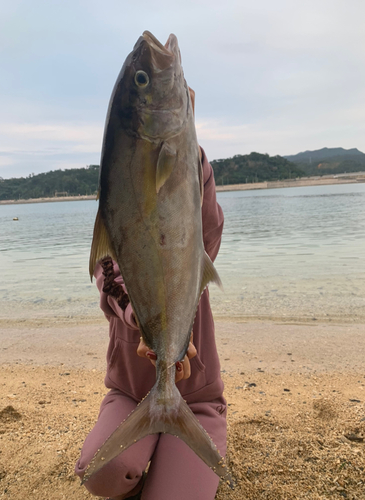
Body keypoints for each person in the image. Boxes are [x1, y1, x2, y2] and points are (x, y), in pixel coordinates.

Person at [75, 91, 226, 500]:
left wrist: (187, 147)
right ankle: (142, 462)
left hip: (195, 401)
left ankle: (176, 454)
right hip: (129, 392)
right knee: (102, 472)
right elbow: (109, 285)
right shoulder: (115, 230)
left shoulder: (189, 231)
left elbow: (209, 230)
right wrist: (145, 323)